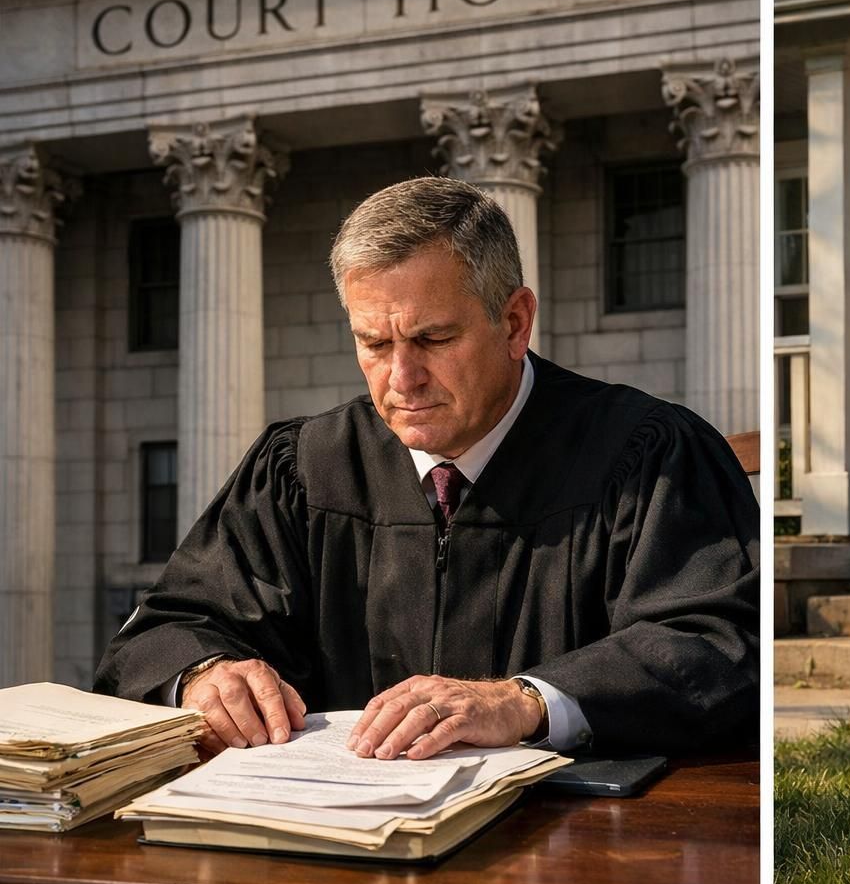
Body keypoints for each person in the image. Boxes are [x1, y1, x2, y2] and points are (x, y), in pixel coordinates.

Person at [95, 177, 759, 759]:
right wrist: (204, 673)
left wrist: (530, 703)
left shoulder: (648, 457)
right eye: (374, 343)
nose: (402, 378)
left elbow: (717, 647)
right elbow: (159, 632)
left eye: (432, 339)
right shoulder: (304, 470)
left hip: (573, 857)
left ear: (515, 321)